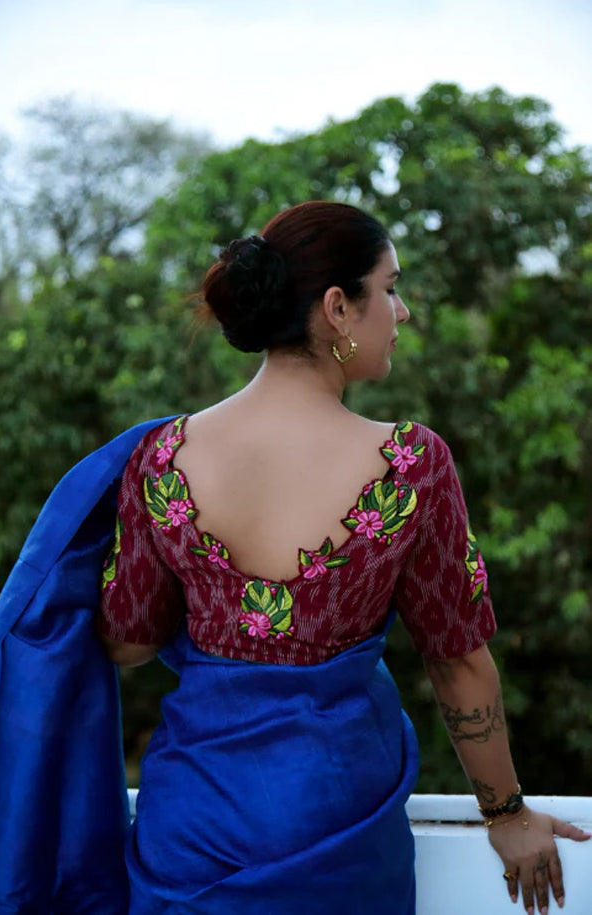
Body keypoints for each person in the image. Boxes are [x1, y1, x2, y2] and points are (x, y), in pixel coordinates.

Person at [95, 201, 589, 914]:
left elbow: (128, 643)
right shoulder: (409, 464)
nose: (403, 311)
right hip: (339, 825)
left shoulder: (162, 456)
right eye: (390, 288)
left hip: (193, 826)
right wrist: (506, 814)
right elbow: (456, 661)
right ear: (337, 308)